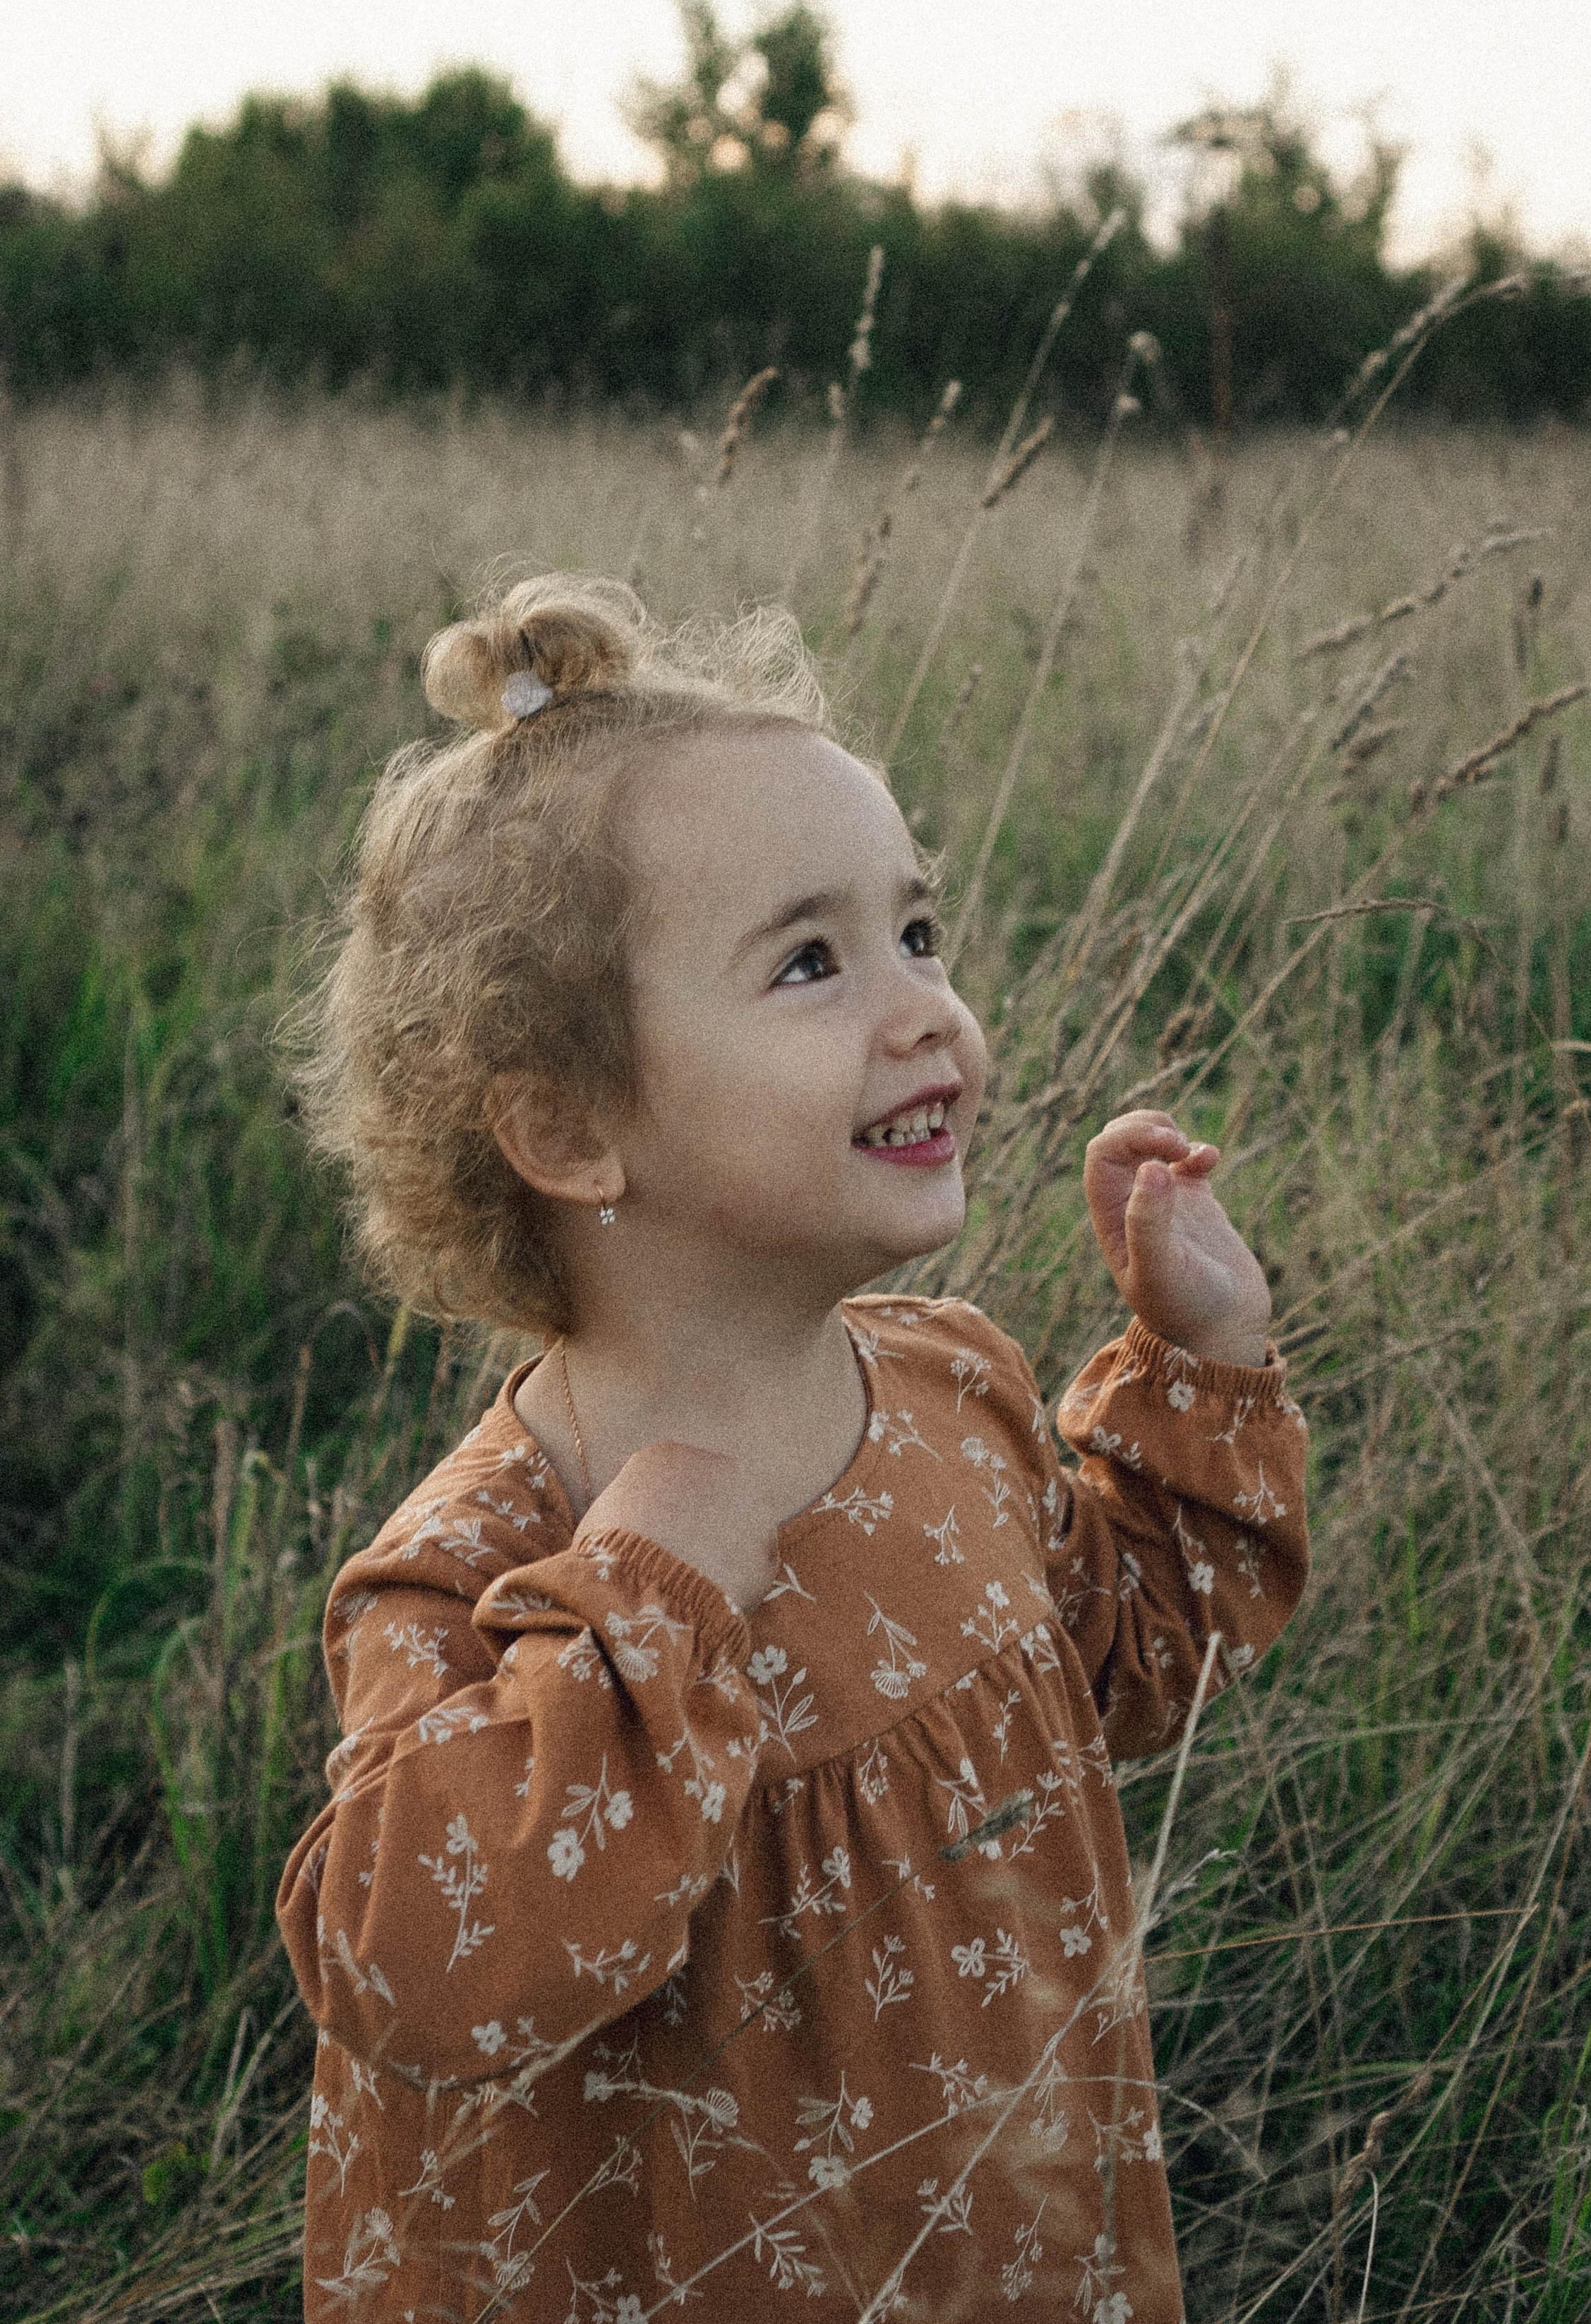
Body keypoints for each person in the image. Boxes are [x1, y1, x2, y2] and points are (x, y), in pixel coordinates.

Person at [277, 574, 1309, 2322]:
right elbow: (414, 1976)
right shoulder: (485, 1566)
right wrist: (639, 1592)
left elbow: (1131, 1669)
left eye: (919, 932)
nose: (923, 1011)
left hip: (1005, 2248)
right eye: (810, 963)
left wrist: (1199, 1363)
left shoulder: (954, 1395)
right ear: (567, 1130)